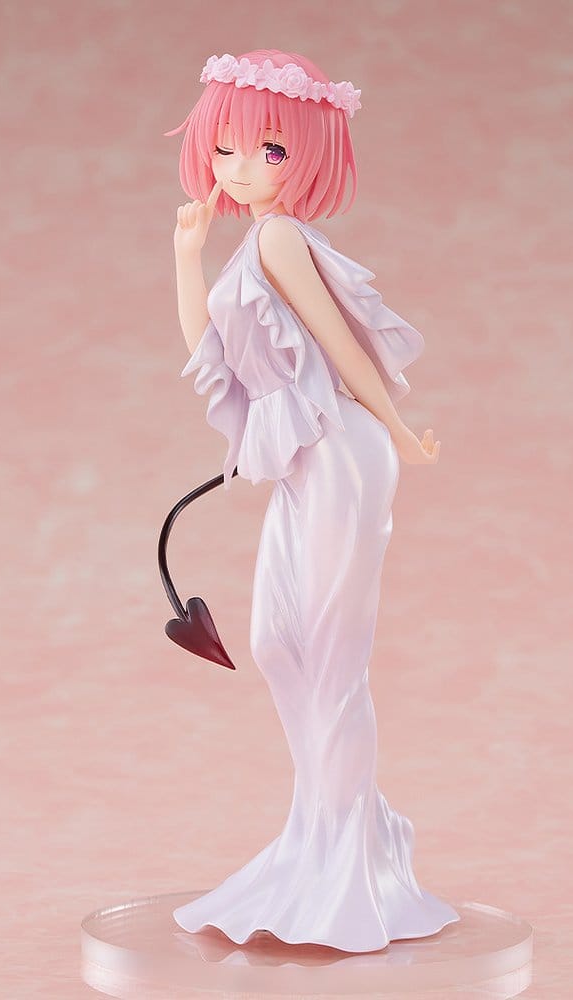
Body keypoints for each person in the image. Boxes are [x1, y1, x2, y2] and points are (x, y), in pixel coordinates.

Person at [164, 48, 459, 953]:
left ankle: (344, 860)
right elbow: (210, 350)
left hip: (340, 452)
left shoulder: (282, 239)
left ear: (305, 157)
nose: (240, 167)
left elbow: (336, 344)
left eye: (269, 150)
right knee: (275, 643)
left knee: (331, 657)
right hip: (307, 460)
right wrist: (186, 255)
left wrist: (399, 432)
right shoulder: (251, 242)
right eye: (225, 148)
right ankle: (331, 831)